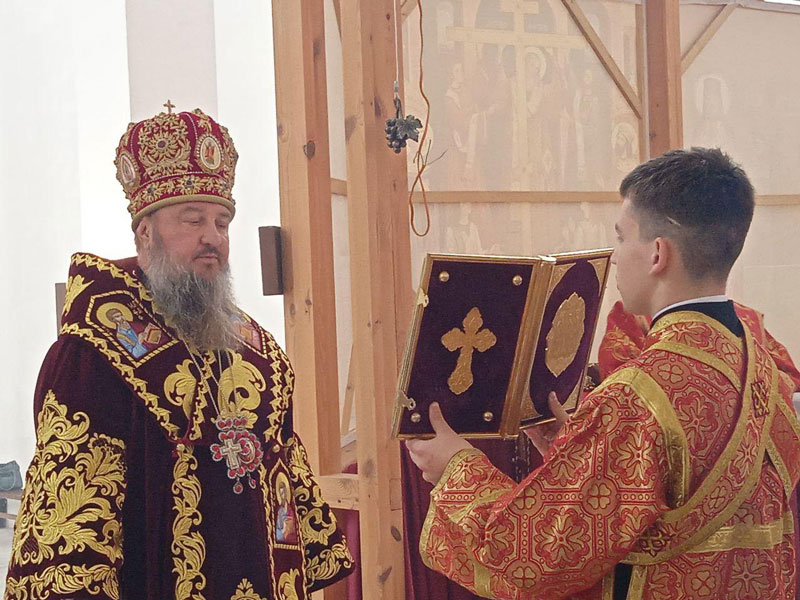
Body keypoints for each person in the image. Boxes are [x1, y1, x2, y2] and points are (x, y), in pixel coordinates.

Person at [407, 147, 800, 599]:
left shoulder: (639, 395)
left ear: (657, 254)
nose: (614, 256)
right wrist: (577, 450)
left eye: (620, 236)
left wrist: (455, 468)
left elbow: (525, 557)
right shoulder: (762, 364)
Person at [4, 106, 353, 600]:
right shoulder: (94, 353)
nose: (213, 237)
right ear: (145, 232)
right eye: (192, 220)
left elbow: (285, 494)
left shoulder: (260, 354)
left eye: (222, 222)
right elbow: (72, 532)